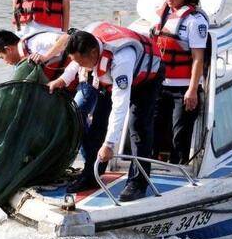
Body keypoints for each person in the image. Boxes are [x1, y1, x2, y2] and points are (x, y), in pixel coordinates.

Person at [49, 22, 164, 201]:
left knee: (138, 127)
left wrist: (110, 144)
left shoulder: (121, 59)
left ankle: (138, 183)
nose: (80, 65)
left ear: (94, 53)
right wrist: (63, 80)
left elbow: (120, 104)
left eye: (82, 61)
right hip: (111, 79)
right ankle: (91, 175)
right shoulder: (86, 37)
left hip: (146, 78)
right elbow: (75, 63)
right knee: (97, 125)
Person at [151, 0, 209, 165]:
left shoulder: (194, 21)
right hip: (160, 85)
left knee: (179, 135)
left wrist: (192, 90)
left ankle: (179, 168)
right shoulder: (164, 15)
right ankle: (150, 165)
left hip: (183, 88)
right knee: (154, 129)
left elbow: (198, 58)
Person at [0, 29, 68, 80]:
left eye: (2, 57)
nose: (5, 62)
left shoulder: (34, 42)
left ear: (8, 49)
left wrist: (45, 57)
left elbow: (66, 38)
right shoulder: (19, 64)